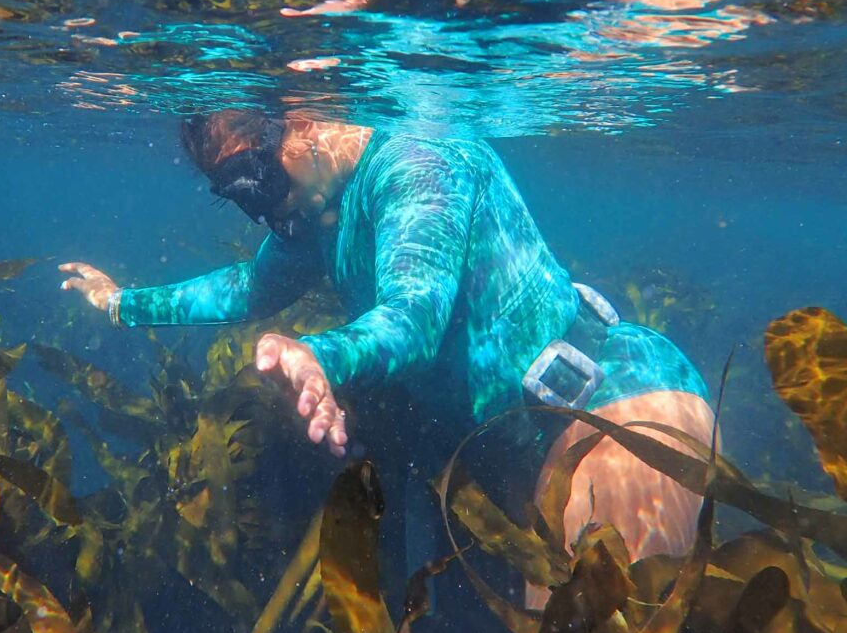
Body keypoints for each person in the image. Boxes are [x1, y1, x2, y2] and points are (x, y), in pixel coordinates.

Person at [59, 108, 712, 585]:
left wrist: (321, 353)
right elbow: (246, 289)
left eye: (255, 174)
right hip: (522, 445)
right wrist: (122, 303)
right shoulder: (320, 212)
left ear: (307, 123)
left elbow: (414, 316)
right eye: (234, 194)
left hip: (615, 410)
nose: (258, 207)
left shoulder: (419, 161)